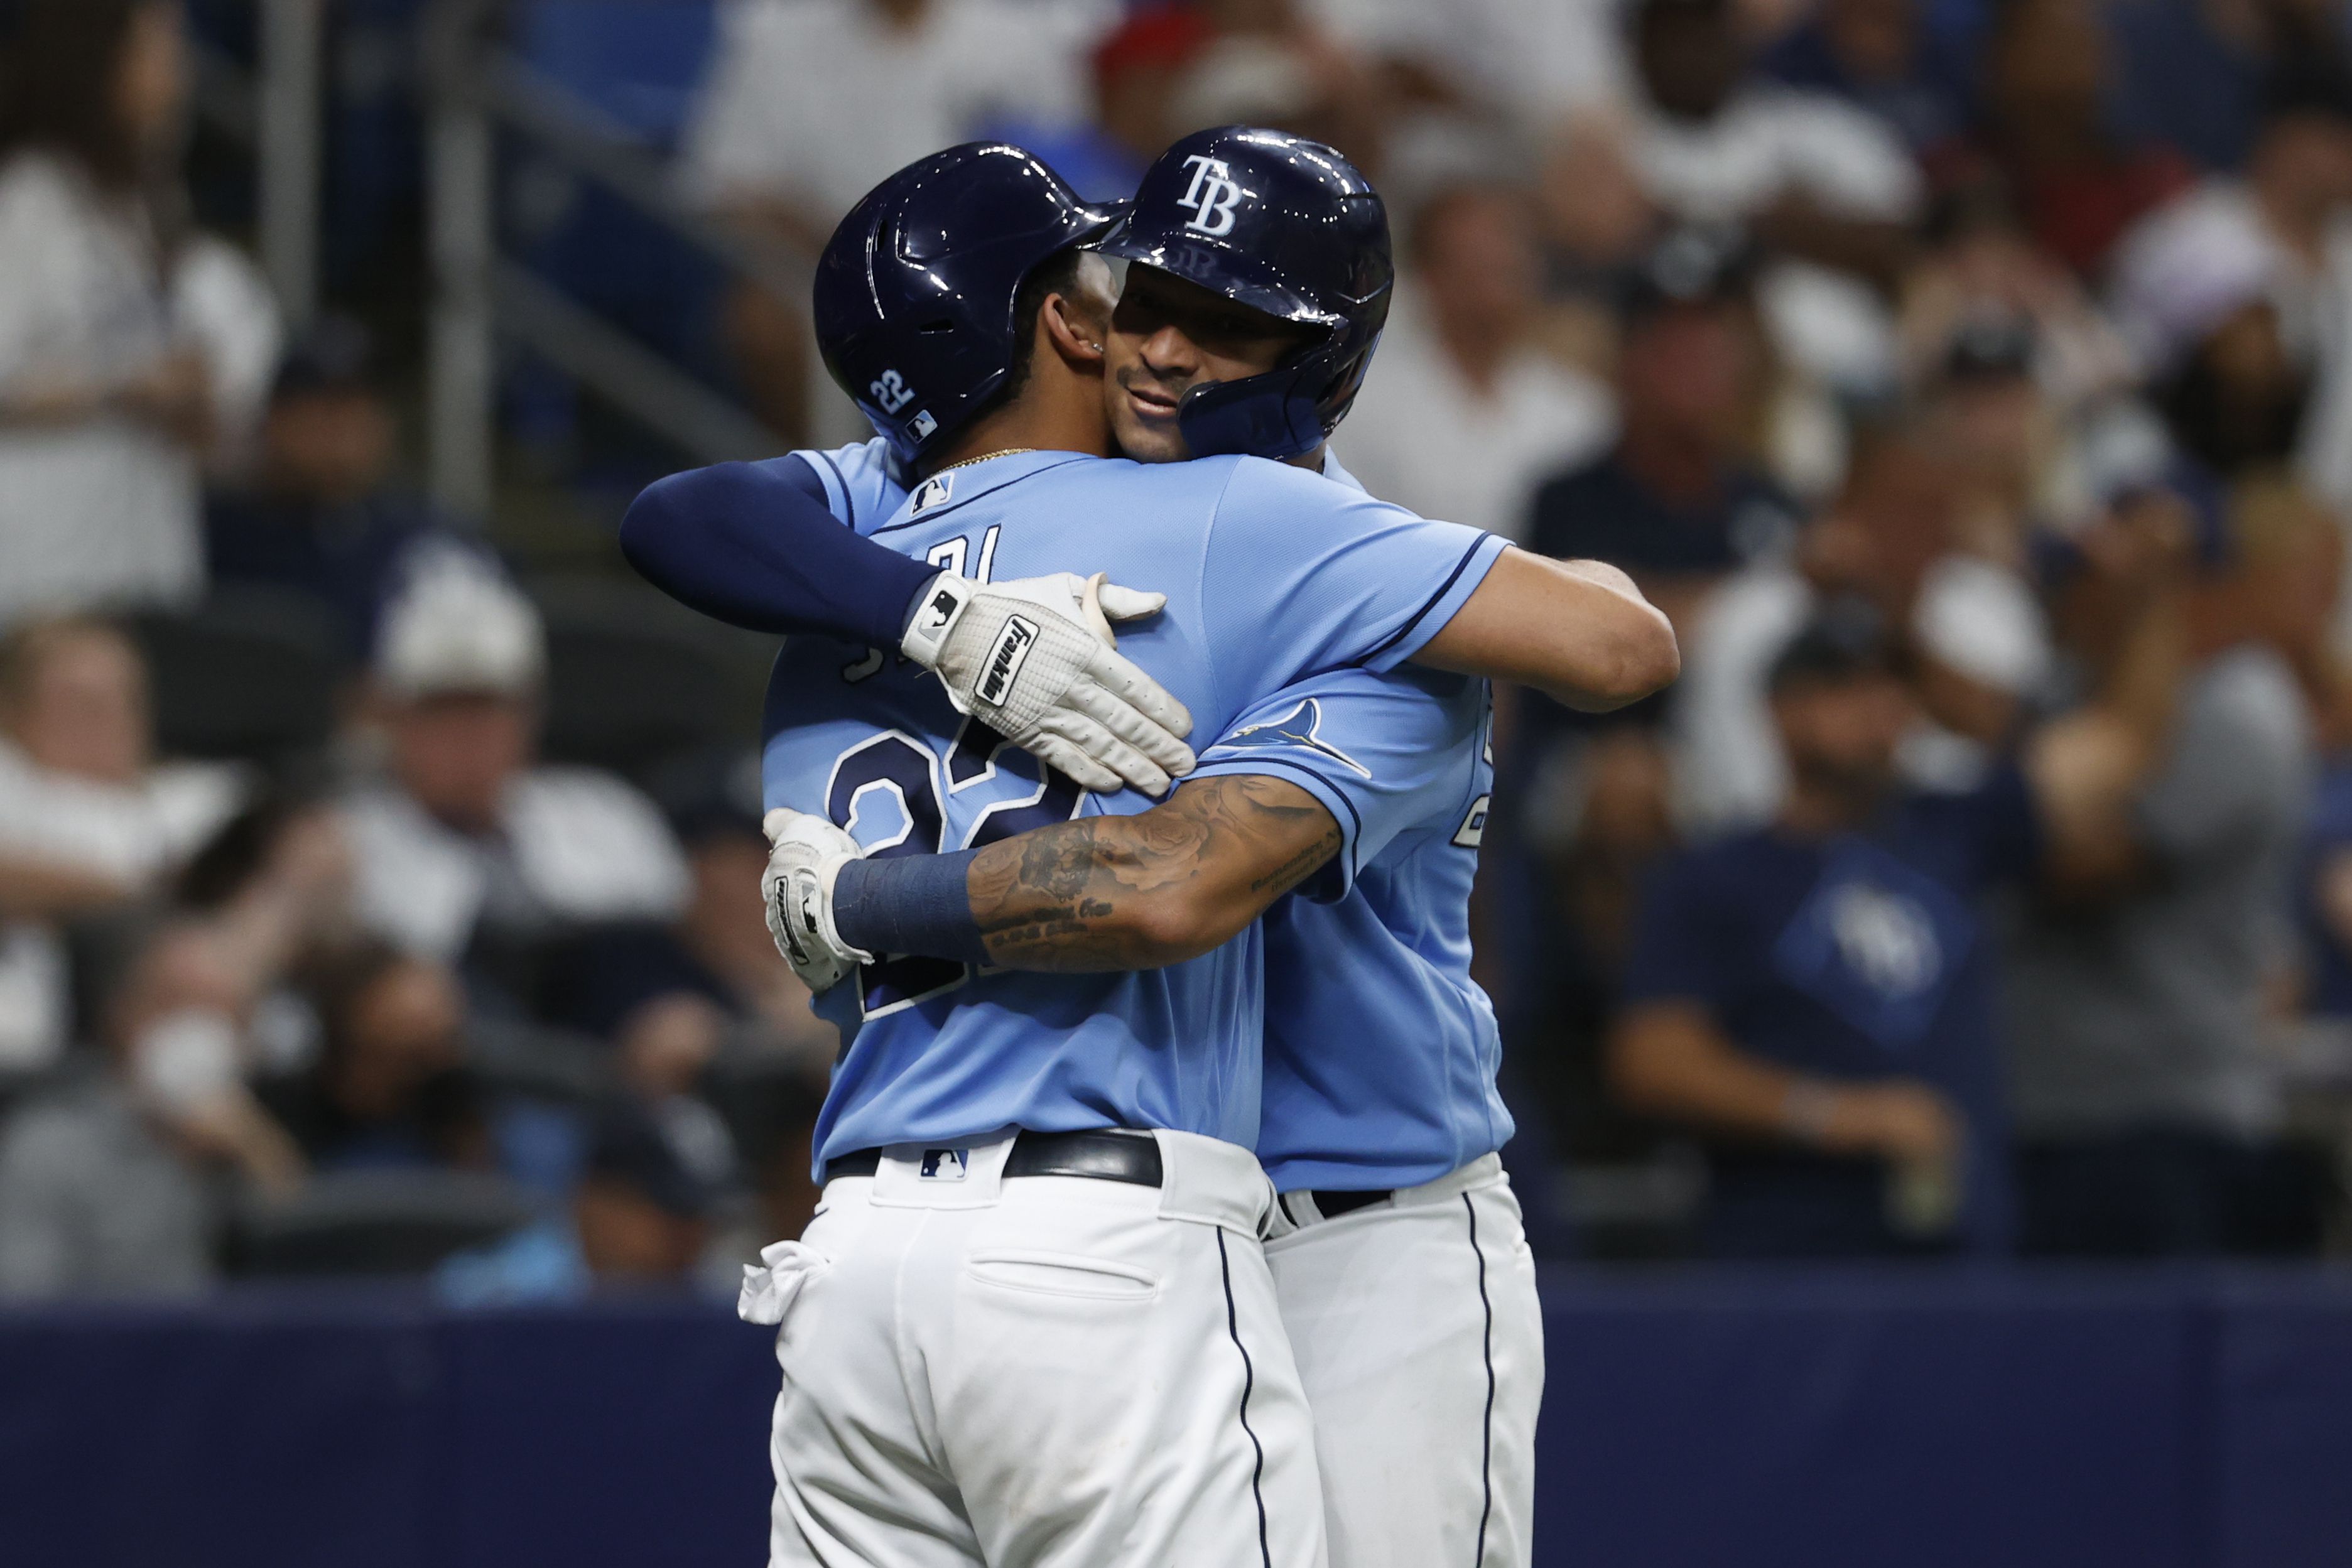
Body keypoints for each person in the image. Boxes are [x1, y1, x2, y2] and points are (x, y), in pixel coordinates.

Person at [631, 130, 1676, 1568]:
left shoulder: (1345, 578)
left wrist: (867, 904)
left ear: (1325, 360)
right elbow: (685, 515)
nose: (1166, 348)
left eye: (1228, 323)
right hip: (1146, 1225)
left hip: (1363, 1224)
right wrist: (938, 619)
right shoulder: (958, 489)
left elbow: (1614, 638)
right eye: (1152, 295)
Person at [1609, 565, 2181, 1258]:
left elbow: (2116, 748)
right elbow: (1653, 1061)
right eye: (1845, 687)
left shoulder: (1953, 830)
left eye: (1892, 687)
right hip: (1789, 1262)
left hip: (1958, 1251)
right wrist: (1832, 1115)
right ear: (1780, 711)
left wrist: (2156, 587)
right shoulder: (1716, 875)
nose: (1878, 709)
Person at [2005, 475, 2334, 1257]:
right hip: (2050, 1105)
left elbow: (2068, 868)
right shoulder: (2074, 687)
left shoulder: (2239, 705)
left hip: (2161, 1117)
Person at [339, 561, 689, 979]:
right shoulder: (342, 847)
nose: (466, 736)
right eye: (441, 709)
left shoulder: (608, 815)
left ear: (530, 717)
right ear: (390, 721)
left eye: (488, 708)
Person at [0, 0, 225, 626]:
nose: (178, 75)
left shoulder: (138, 206)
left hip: (141, 555)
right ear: (99, 64)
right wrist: (126, 388)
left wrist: (191, 407)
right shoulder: (27, 201)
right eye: (158, 54)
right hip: (36, 569)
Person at [0, 617, 245, 1071]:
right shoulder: (10, 784)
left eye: (123, 699)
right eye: (79, 702)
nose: (105, 718)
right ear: (13, 712)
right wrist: (144, 889)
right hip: (54, 1047)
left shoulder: (205, 795)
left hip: (227, 1015)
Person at [1336, 183, 1615, 544]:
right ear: (1428, 276)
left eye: (1508, 260)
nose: (1496, 276)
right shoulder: (1362, 403)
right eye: (1473, 261)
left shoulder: (1580, 410)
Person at [204, 318, 470, 665]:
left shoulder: (429, 534)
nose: (347, 428)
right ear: (273, 420)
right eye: (328, 407)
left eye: (363, 404)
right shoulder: (217, 536)